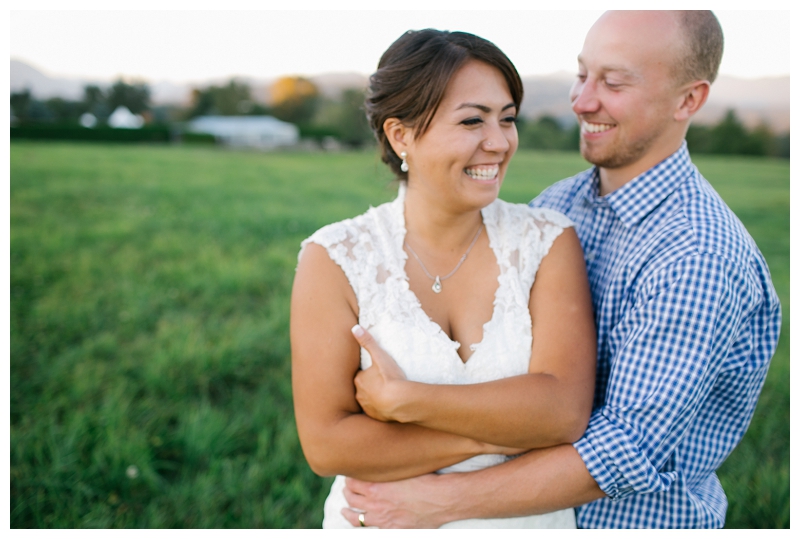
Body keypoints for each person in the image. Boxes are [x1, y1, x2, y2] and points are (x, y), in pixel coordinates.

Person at [339, 11, 782, 529]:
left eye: (612, 83)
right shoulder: (559, 204)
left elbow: (623, 451)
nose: (582, 100)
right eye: (582, 75)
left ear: (689, 100)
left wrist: (437, 501)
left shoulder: (698, 256)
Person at [290, 29, 597, 528]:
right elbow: (327, 445)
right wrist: (498, 433)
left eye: (507, 119)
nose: (498, 143)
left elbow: (563, 413)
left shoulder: (547, 240)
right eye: (472, 120)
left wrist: (406, 402)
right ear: (401, 135)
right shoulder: (335, 258)